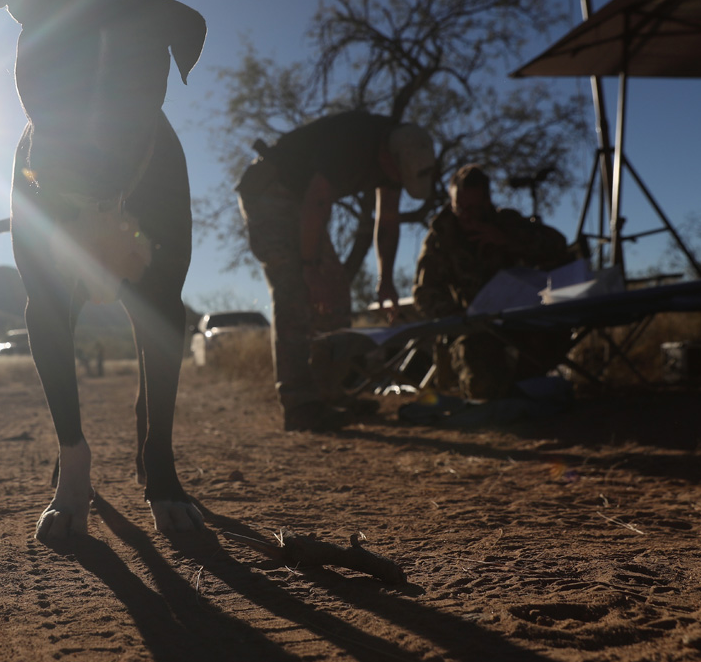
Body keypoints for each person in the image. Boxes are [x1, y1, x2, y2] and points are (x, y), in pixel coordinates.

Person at [236, 111, 436, 432]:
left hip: (302, 201)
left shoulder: (399, 157)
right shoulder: (353, 142)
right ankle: (300, 405)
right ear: (389, 155)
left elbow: (387, 221)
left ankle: (329, 394)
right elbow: (317, 201)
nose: (393, 181)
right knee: (294, 289)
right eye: (395, 173)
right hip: (270, 192)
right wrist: (311, 269)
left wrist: (385, 281)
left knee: (337, 291)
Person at [412, 164, 575, 402]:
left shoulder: (505, 222)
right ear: (452, 201)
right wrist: (459, 314)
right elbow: (424, 293)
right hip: (472, 327)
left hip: (520, 320)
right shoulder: (441, 235)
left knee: (548, 346)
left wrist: (509, 241)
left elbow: (558, 244)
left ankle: (526, 393)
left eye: (475, 209)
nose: (467, 216)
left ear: (487, 202)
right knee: (483, 387)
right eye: (461, 208)